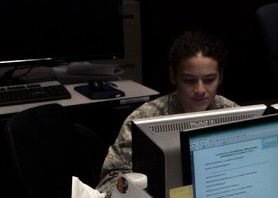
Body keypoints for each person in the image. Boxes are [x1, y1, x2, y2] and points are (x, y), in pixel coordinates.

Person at [98, 31, 240, 180]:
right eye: (189, 80)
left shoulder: (232, 113)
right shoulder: (144, 119)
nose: (200, 90)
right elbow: (110, 179)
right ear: (173, 76)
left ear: (221, 77)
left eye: (209, 80)